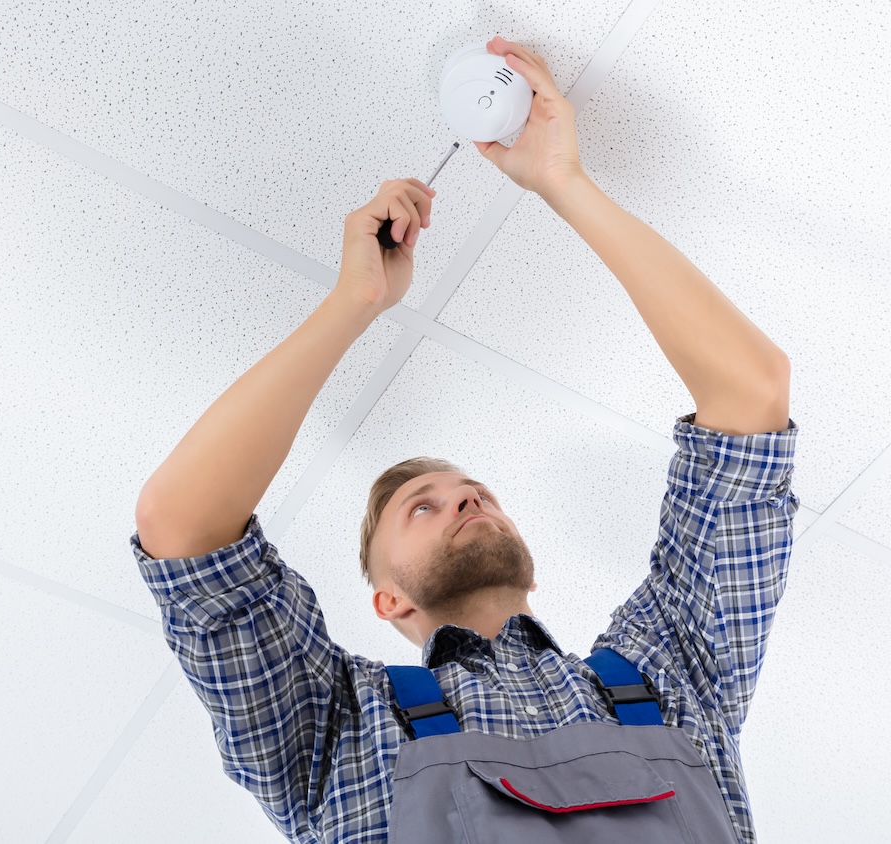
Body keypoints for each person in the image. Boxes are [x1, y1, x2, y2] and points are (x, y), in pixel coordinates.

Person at [133, 35, 798, 843]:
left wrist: (563, 181)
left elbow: (751, 395)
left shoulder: (670, 670)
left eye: (472, 493)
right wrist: (354, 303)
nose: (465, 498)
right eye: (423, 506)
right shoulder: (329, 730)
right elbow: (183, 530)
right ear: (390, 600)